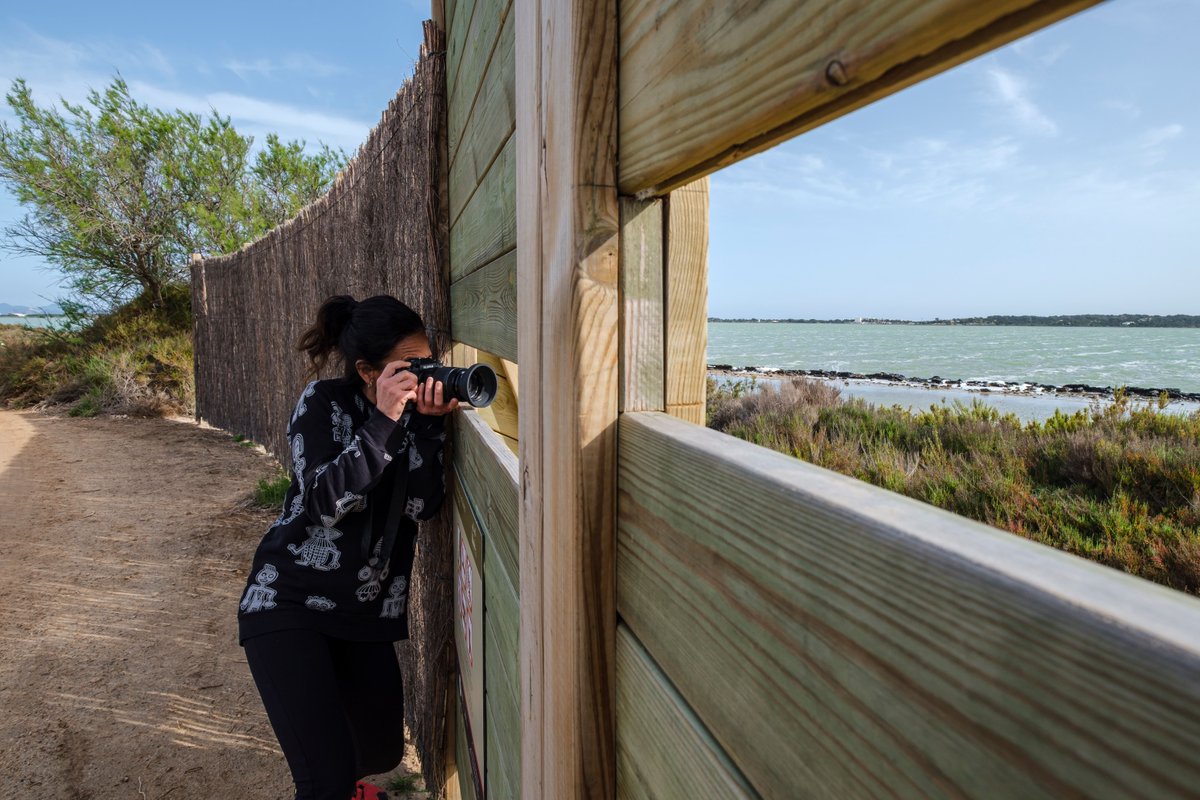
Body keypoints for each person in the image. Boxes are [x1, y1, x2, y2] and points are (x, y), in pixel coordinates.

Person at [236, 294, 458, 800]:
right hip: (288, 601)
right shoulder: (322, 402)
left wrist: (424, 426)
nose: (423, 374)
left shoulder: (417, 415)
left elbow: (422, 507)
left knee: (381, 752)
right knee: (325, 780)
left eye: (429, 361)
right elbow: (323, 501)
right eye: (409, 366)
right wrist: (383, 422)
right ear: (366, 370)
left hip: (362, 611)